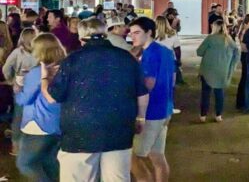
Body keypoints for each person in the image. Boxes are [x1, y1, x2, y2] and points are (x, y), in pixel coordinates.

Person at [44, 18, 149, 181]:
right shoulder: (127, 58)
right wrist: (141, 118)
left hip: (79, 133)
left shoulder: (72, 60)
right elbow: (142, 94)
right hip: (119, 129)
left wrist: (45, 79)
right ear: (105, 33)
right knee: (117, 178)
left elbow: (53, 97)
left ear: (81, 37)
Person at [129, 17, 176, 182]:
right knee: (157, 157)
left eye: (137, 32)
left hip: (151, 112)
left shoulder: (149, 54)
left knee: (134, 157)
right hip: (165, 109)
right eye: (131, 32)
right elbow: (174, 79)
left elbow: (148, 84)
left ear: (149, 32)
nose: (132, 36)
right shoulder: (166, 51)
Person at [15, 33, 66, 181]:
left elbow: (24, 99)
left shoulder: (37, 72)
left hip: (37, 124)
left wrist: (18, 88)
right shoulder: (64, 68)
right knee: (50, 162)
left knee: (25, 164)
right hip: (58, 124)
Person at [4, 28, 38, 157]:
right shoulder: (40, 53)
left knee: (18, 116)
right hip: (36, 87)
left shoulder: (17, 52)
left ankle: (16, 147)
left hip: (20, 86)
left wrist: (11, 80)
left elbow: (6, 67)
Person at [196, 19, 239, 121]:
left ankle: (203, 116)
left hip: (207, 70)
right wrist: (231, 65)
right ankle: (218, 115)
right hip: (222, 70)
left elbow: (199, 52)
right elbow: (236, 53)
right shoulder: (229, 40)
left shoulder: (210, 38)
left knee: (205, 93)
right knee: (219, 93)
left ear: (215, 27)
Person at [155, 15, 184, 89]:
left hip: (156, 61)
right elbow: (177, 49)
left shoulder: (152, 34)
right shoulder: (172, 33)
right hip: (170, 60)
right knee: (170, 85)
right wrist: (178, 60)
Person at [235, 14, 249, 110]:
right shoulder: (244, 32)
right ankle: (242, 101)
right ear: (247, 23)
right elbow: (244, 47)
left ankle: (243, 100)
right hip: (246, 55)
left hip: (245, 55)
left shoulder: (246, 31)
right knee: (245, 78)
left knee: (246, 78)